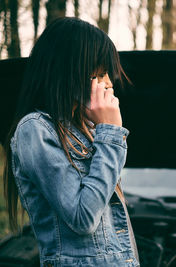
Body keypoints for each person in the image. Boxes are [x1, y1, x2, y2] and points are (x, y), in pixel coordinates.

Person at [2, 17, 139, 267]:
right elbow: (83, 218)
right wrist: (110, 132)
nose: (109, 82)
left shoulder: (85, 128)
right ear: (69, 73)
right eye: (99, 73)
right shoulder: (35, 129)